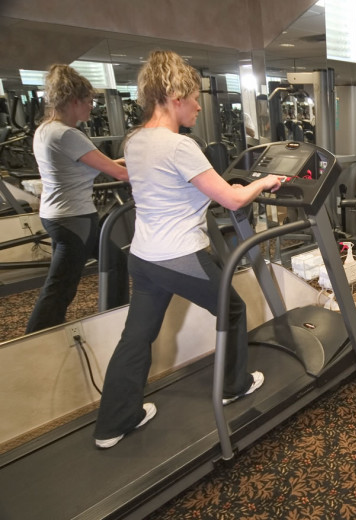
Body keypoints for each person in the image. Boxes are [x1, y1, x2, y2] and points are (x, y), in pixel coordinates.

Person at [93, 50, 282, 449]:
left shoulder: (136, 140)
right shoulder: (179, 146)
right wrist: (264, 183)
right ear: (175, 95)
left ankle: (113, 422)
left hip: (143, 257)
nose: (198, 104)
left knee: (137, 335)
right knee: (232, 309)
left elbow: (170, 188)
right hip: (179, 256)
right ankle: (235, 385)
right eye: (193, 96)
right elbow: (232, 201)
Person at [25, 65, 129, 334]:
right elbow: (117, 172)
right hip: (75, 219)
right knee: (61, 286)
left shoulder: (46, 130)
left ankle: (116, 317)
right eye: (89, 102)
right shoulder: (68, 134)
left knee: (115, 260)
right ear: (74, 101)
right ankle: (36, 339)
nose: (91, 108)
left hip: (58, 215)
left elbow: (97, 163)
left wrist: (133, 161)